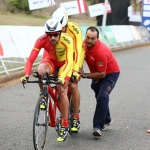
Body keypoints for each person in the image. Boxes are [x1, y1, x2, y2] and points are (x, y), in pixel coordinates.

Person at [20, 18, 74, 142]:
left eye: (55, 34)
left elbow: (70, 62)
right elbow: (30, 60)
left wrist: (61, 77)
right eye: (49, 35)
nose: (52, 38)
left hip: (64, 65)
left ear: (60, 33)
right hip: (50, 61)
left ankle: (65, 124)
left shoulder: (67, 40)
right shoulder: (41, 40)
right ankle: (44, 95)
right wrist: (26, 75)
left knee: (62, 89)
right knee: (40, 71)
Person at [43, 6, 83, 133]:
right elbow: (47, 50)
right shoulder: (53, 30)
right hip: (59, 58)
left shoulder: (74, 29)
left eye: (63, 28)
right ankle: (59, 107)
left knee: (73, 85)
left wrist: (76, 71)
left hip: (73, 58)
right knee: (54, 82)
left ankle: (76, 116)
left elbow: (77, 51)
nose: (61, 30)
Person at [79, 26, 120, 137]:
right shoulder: (83, 44)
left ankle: (98, 126)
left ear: (98, 38)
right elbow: (79, 57)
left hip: (110, 74)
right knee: (100, 96)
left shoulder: (101, 51)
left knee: (102, 96)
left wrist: (84, 75)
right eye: (88, 37)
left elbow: (102, 74)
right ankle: (107, 119)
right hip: (97, 75)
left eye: (93, 38)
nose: (90, 41)